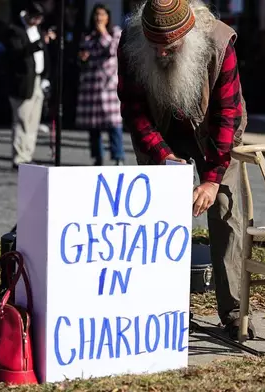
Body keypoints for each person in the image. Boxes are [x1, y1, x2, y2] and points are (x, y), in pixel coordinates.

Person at [117, 0, 253, 339]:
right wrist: (163, 155)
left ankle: (235, 311)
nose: (162, 54)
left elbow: (227, 116)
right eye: (155, 46)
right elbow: (133, 109)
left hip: (214, 130)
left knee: (227, 210)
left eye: (171, 47)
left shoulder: (219, 43)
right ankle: (167, 307)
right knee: (157, 215)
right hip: (160, 132)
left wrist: (210, 180)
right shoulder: (130, 42)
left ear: (189, 35)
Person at [75, 3, 125, 166]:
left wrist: (103, 32)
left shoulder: (115, 32)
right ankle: (97, 157)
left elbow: (112, 50)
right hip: (91, 86)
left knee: (113, 123)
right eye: (96, 15)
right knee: (93, 125)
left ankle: (118, 156)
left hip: (108, 86)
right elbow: (83, 56)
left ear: (108, 17)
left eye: (102, 15)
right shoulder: (88, 36)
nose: (99, 18)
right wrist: (83, 58)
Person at [4, 2, 50, 170]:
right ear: (27, 15)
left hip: (37, 79)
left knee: (33, 121)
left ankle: (28, 155)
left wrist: (46, 77)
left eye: (40, 19)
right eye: (35, 18)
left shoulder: (37, 30)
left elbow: (44, 54)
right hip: (22, 82)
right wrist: (37, 43)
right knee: (22, 120)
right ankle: (19, 157)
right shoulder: (15, 30)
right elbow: (16, 54)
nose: (37, 22)